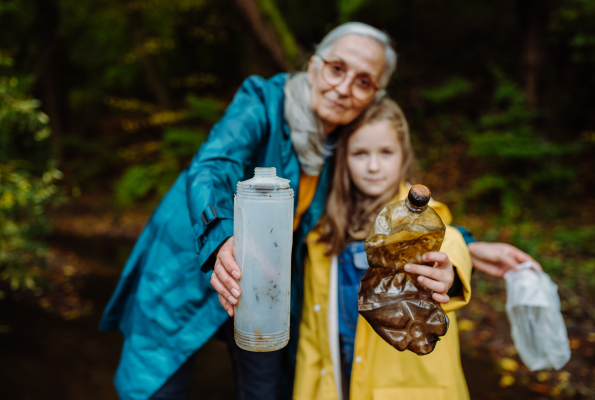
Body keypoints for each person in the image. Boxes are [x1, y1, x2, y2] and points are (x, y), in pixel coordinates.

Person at [100, 22, 398, 400]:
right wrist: (222, 237)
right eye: (336, 68)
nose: (343, 88)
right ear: (312, 66)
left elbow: (392, 203)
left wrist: (461, 246)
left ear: (374, 95)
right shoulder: (263, 101)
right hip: (191, 259)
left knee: (267, 388)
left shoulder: (350, 146)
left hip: (265, 283)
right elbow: (213, 166)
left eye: (363, 81)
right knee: (157, 386)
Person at [293, 98, 473, 400]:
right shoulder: (323, 230)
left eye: (386, 152)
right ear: (343, 158)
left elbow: (451, 243)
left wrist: (448, 274)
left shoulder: (426, 223)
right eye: (360, 153)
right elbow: (314, 335)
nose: (373, 166)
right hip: (338, 384)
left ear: (403, 155)